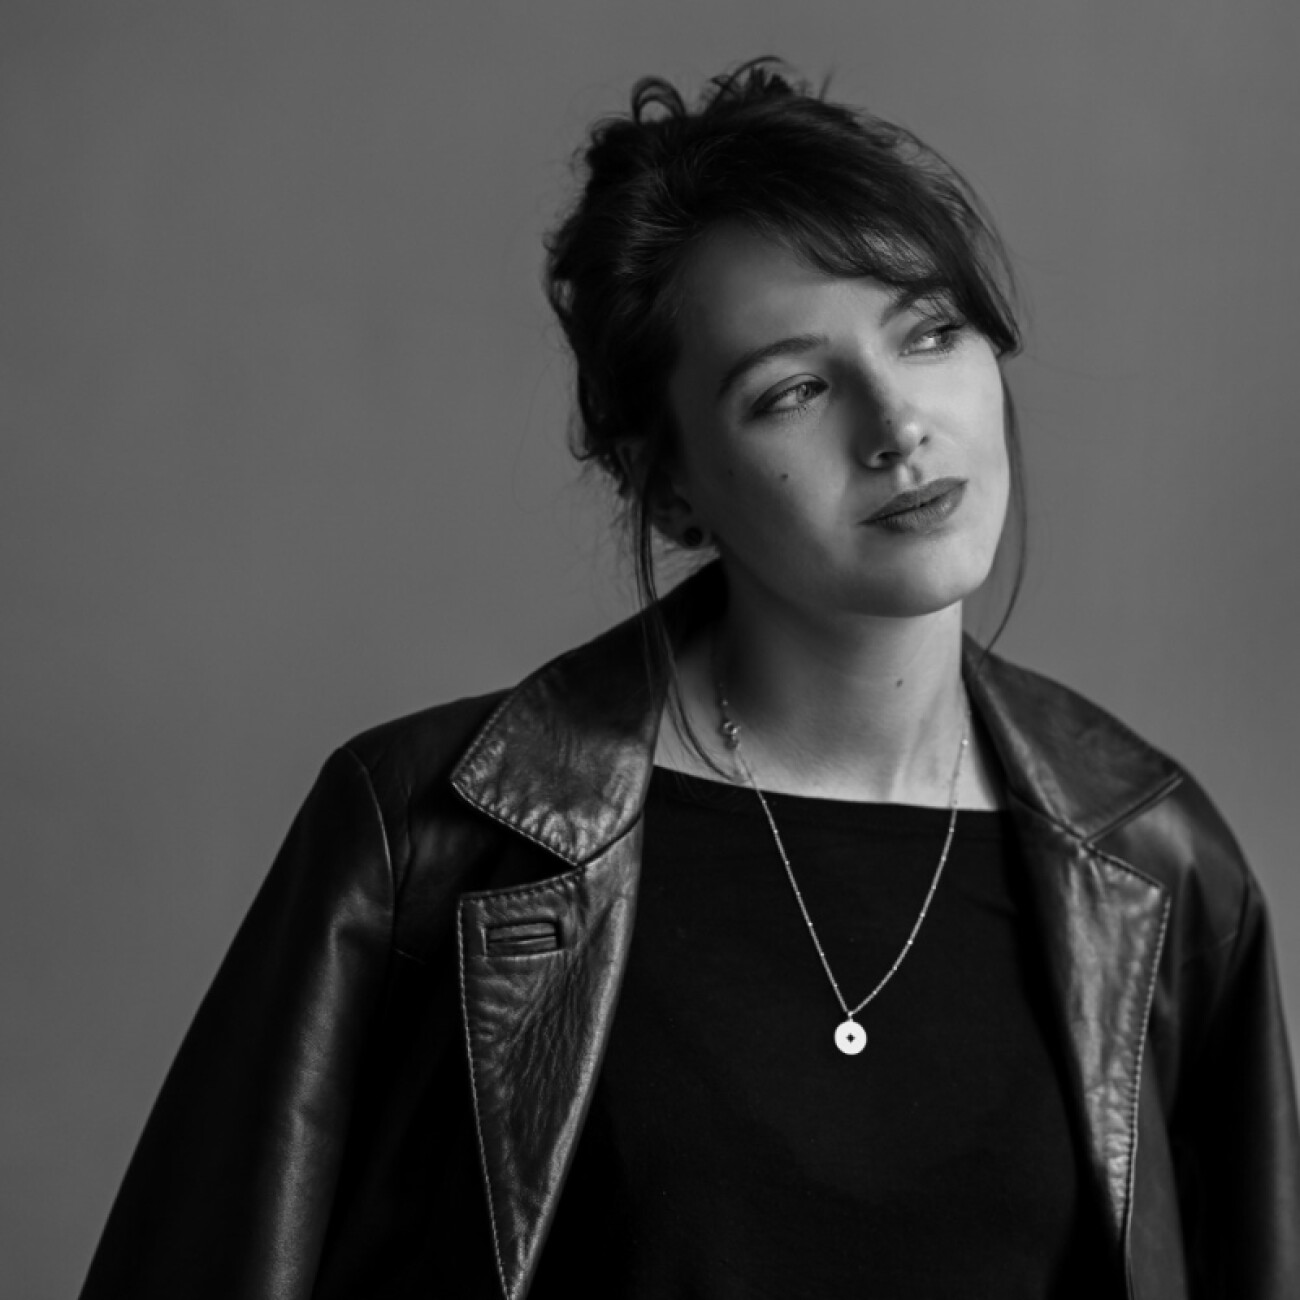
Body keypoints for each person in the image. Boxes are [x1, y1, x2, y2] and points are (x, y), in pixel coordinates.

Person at [81, 59, 1299, 1300]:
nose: (897, 426)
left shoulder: (1151, 862)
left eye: (930, 333)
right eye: (793, 390)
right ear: (670, 487)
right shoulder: (432, 842)